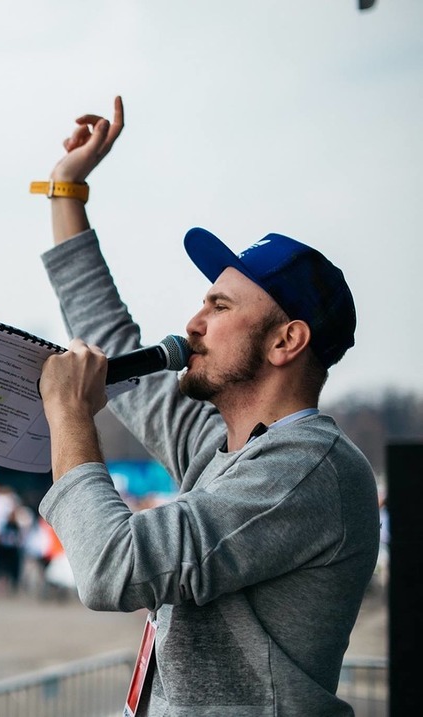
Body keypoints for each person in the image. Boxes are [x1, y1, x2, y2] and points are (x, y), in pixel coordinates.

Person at [34, 96, 379, 715]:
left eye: (219, 307)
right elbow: (109, 339)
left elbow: (114, 567)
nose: (192, 322)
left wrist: (70, 418)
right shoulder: (220, 446)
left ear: (285, 341)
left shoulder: (306, 469)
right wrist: (65, 190)